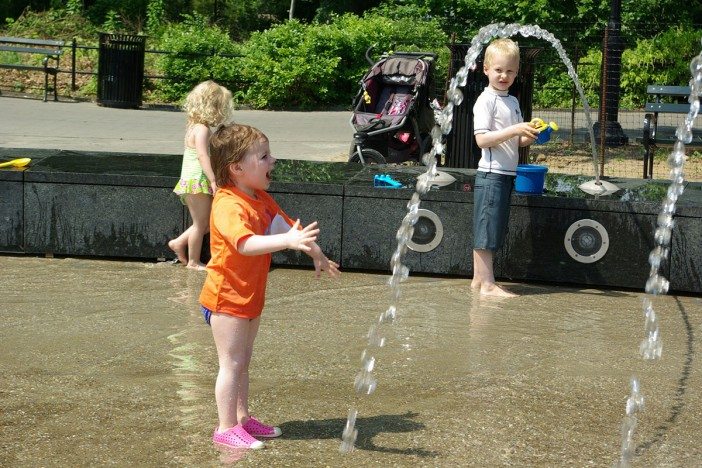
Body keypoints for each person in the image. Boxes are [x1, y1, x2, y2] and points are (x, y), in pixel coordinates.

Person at [200, 123, 341, 450]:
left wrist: (314, 251)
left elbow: (287, 227)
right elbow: (245, 244)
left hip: (249, 296)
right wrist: (289, 241)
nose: (272, 161)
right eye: (263, 157)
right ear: (236, 168)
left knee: (243, 361)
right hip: (226, 299)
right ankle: (225, 427)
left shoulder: (259, 198)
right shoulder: (227, 204)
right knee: (231, 364)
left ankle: (243, 419)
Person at [471, 38, 539, 297]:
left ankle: (479, 280)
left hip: (506, 173)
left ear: (517, 72)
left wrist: (529, 135)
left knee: (490, 225)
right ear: (486, 69)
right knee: (486, 228)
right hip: (491, 173)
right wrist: (513, 129)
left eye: (510, 71)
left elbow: (516, 139)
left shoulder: (511, 101)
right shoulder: (485, 100)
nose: (504, 76)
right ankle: (488, 285)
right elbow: (482, 139)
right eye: (499, 70)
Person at [169, 80, 234, 270]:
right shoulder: (203, 130)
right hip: (198, 181)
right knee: (200, 224)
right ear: (213, 107)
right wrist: (213, 179)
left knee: (204, 223)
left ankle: (178, 242)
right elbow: (202, 155)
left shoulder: (194, 127)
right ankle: (193, 261)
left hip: (192, 181)